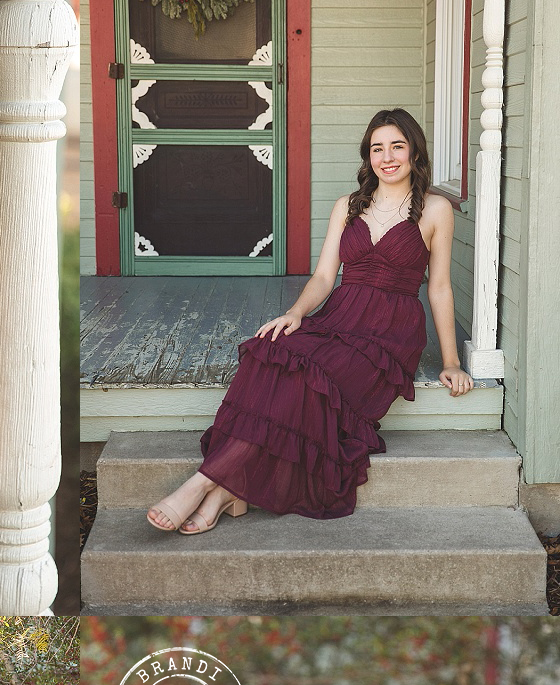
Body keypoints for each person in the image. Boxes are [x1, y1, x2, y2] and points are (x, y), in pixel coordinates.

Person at [148, 108, 473, 533]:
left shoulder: (435, 209)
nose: (387, 157)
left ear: (415, 152)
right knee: (273, 350)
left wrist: (450, 360)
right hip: (340, 316)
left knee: (307, 376)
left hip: (389, 333)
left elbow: (440, 287)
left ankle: (204, 483)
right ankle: (230, 493)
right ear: (368, 156)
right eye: (378, 148)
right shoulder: (348, 205)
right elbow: (324, 276)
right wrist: (295, 313)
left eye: (397, 146)